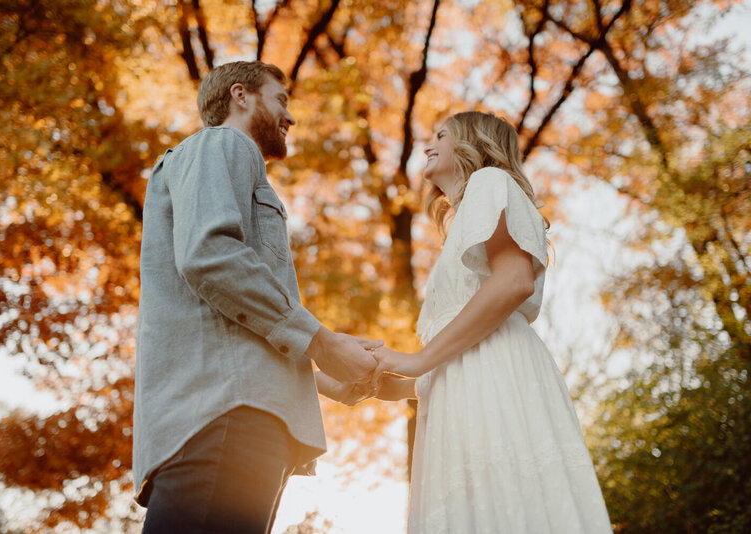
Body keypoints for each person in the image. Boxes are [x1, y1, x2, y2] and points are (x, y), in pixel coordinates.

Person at [132, 60, 379, 534]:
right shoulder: (223, 144)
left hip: (234, 420)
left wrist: (329, 376)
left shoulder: (223, 165)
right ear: (240, 96)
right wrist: (324, 344)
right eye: (282, 100)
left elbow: (234, 326)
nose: (291, 117)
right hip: (224, 420)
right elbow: (211, 256)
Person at [370, 111, 613, 533]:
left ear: (473, 144)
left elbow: (514, 281)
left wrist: (416, 360)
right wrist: (377, 380)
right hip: (461, 394)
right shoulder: (465, 220)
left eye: (441, 135)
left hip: (497, 378)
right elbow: (451, 357)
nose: (428, 145)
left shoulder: (489, 181)